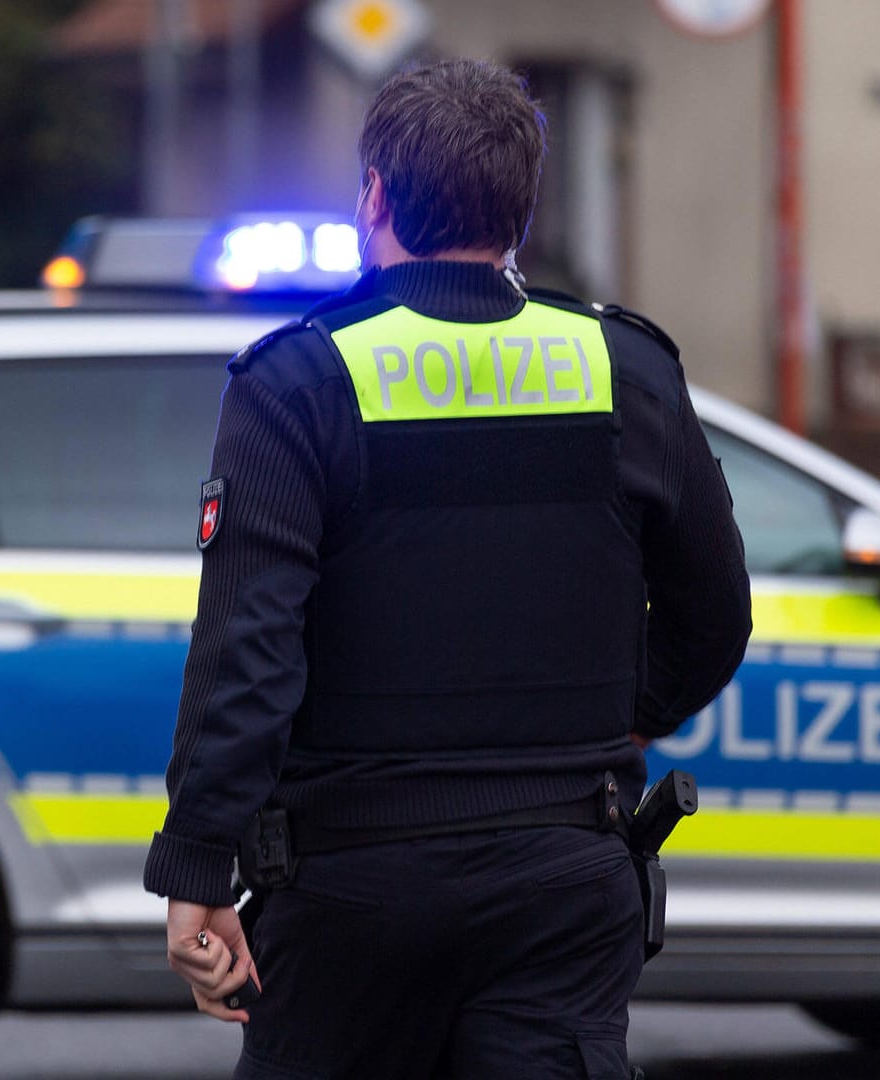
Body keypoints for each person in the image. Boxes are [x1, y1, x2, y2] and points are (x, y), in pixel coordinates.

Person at [145, 59, 752, 1079]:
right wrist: (622, 715)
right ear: (525, 202)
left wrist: (198, 861)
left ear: (375, 195)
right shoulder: (626, 371)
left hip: (352, 892)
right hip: (566, 875)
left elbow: (253, 650)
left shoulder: (299, 382)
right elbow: (715, 615)